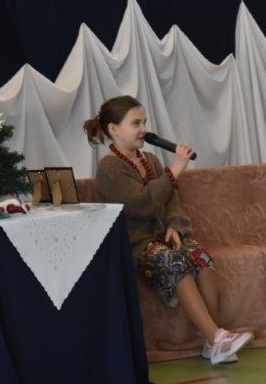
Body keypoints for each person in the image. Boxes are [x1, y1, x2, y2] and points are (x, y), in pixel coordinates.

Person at [85, 95, 252, 364]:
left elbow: (170, 199)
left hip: (163, 238)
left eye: (144, 122)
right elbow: (141, 204)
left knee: (201, 257)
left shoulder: (150, 159)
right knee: (173, 261)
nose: (143, 129)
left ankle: (213, 341)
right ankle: (217, 337)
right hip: (136, 245)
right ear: (114, 129)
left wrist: (174, 225)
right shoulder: (109, 167)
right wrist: (174, 169)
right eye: (135, 123)